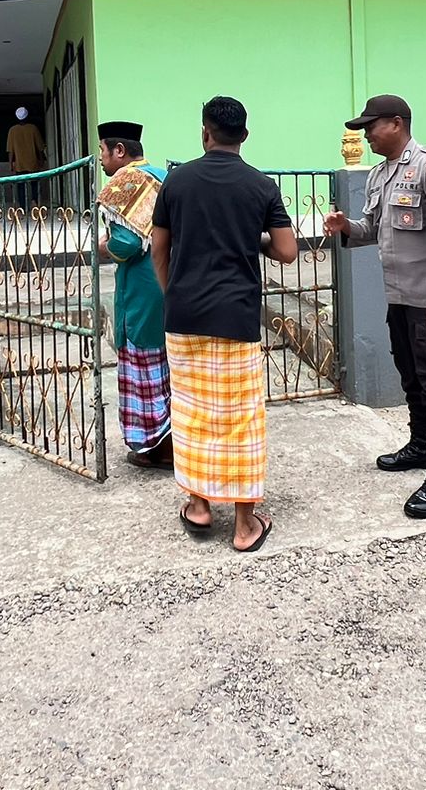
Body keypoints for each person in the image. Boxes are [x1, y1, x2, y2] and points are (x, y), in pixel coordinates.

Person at [151, 96, 297, 553]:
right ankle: (244, 525)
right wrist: (254, 241)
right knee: (240, 420)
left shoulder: (176, 181)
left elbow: (159, 246)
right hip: (235, 317)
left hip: (185, 315)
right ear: (245, 137)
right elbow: (288, 251)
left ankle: (197, 505)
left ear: (204, 132)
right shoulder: (261, 186)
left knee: (191, 412)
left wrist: (172, 291)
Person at [323, 94, 426, 519]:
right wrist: (346, 226)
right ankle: (421, 446)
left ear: (397, 123)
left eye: (371, 126)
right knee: (412, 378)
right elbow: (373, 229)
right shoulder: (380, 174)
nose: (365, 134)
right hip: (399, 299)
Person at [95, 121, 173, 469]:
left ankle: (157, 446)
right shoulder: (165, 176)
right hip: (170, 279)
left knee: (145, 365)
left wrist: (104, 246)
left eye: (102, 150)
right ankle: (177, 442)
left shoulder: (125, 182)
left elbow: (126, 243)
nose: (99, 158)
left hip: (141, 287)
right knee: (170, 366)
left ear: (119, 151)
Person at [5, 106, 47, 211]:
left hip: (20, 164)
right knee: (34, 184)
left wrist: (10, 164)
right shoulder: (33, 128)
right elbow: (40, 147)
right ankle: (34, 201)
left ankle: (23, 207)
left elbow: (10, 150)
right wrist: (41, 159)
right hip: (32, 162)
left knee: (20, 186)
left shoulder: (12, 130)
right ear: (27, 117)